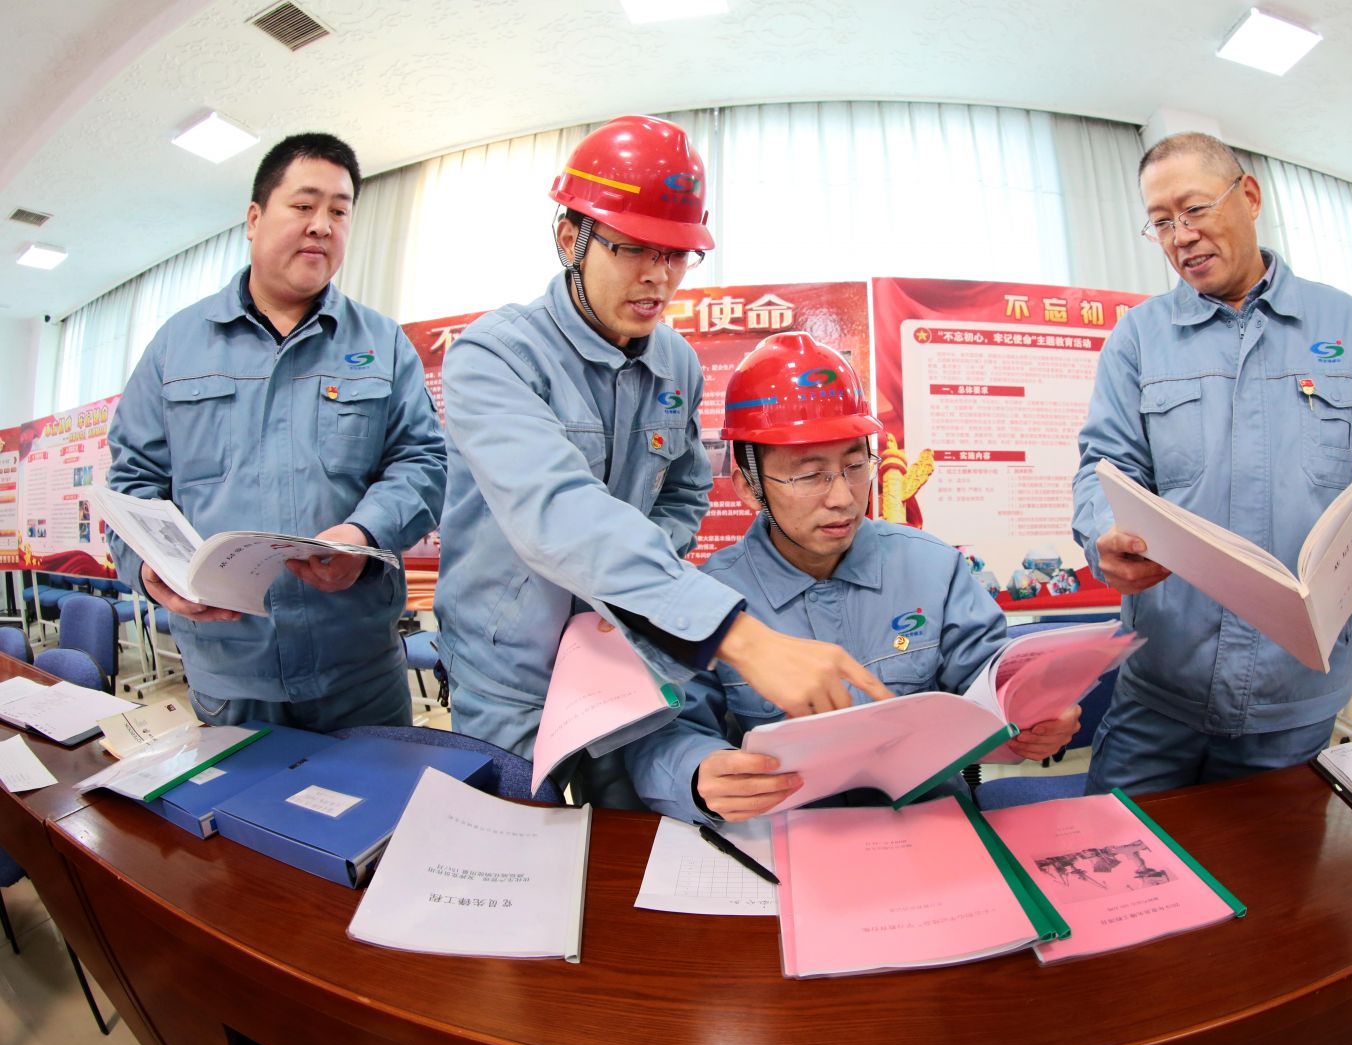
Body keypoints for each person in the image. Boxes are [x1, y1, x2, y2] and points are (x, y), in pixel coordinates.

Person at [434, 117, 890, 804]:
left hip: (623, 655)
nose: (658, 276)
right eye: (631, 249)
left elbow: (683, 491)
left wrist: (636, 591)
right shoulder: (494, 356)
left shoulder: (676, 362)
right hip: (510, 674)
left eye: (677, 254)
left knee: (635, 829)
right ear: (569, 237)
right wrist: (739, 636)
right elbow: (556, 511)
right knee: (519, 840)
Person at [1072, 132, 1352, 794]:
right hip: (1162, 687)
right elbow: (1103, 467)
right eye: (1161, 222)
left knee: (1273, 863)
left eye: (1194, 208)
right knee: (1118, 853)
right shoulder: (1138, 338)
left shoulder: (1347, 326)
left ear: (1249, 196)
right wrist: (1101, 533)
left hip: (1294, 694)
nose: (1180, 236)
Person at [623, 332, 1081, 824]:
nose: (843, 498)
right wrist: (697, 774)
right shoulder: (708, 598)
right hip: (787, 838)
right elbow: (668, 733)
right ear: (749, 487)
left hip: (929, 826)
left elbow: (991, 684)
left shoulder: (932, 568)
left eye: (856, 466)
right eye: (809, 475)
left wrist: (1032, 719)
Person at [107, 133, 447, 731]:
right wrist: (148, 567)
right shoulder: (175, 346)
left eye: (339, 211)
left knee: (374, 794)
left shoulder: (382, 342)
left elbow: (422, 462)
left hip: (358, 668)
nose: (322, 225)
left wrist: (364, 534)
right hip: (229, 667)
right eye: (304, 205)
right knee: (240, 795)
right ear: (255, 218)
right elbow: (132, 482)